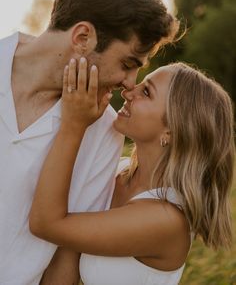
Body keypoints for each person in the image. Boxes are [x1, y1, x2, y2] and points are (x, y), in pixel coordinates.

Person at [0, 0, 179, 285]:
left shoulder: (103, 130)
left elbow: (64, 256)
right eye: (127, 63)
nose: (128, 84)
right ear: (83, 36)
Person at [29, 59, 235, 285]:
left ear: (172, 131)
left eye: (146, 92)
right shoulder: (118, 170)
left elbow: (46, 225)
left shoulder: (166, 220)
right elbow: (66, 247)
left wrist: (73, 125)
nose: (129, 92)